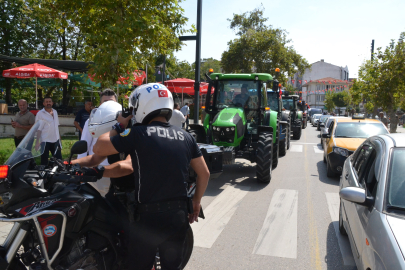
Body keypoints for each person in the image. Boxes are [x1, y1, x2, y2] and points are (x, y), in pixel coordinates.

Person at [93, 83, 210, 270]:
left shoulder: (139, 134)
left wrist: (120, 124)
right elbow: (204, 173)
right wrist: (196, 202)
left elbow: (99, 147)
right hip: (178, 216)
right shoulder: (186, 136)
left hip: (148, 219)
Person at [74, 89, 117, 196]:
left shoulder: (124, 121)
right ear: (100, 104)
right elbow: (84, 145)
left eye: (111, 101)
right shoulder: (91, 121)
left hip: (119, 169)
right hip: (97, 169)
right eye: (105, 101)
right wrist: (79, 170)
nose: (108, 104)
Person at [35, 97, 62, 165]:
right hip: (45, 140)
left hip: (56, 139)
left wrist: (59, 138)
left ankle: (58, 174)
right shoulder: (40, 113)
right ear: (44, 103)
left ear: (52, 103)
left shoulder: (55, 112)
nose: (48, 103)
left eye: (50, 101)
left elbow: (56, 126)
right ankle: (43, 173)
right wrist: (37, 141)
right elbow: (38, 128)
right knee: (44, 160)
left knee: (59, 159)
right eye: (46, 102)